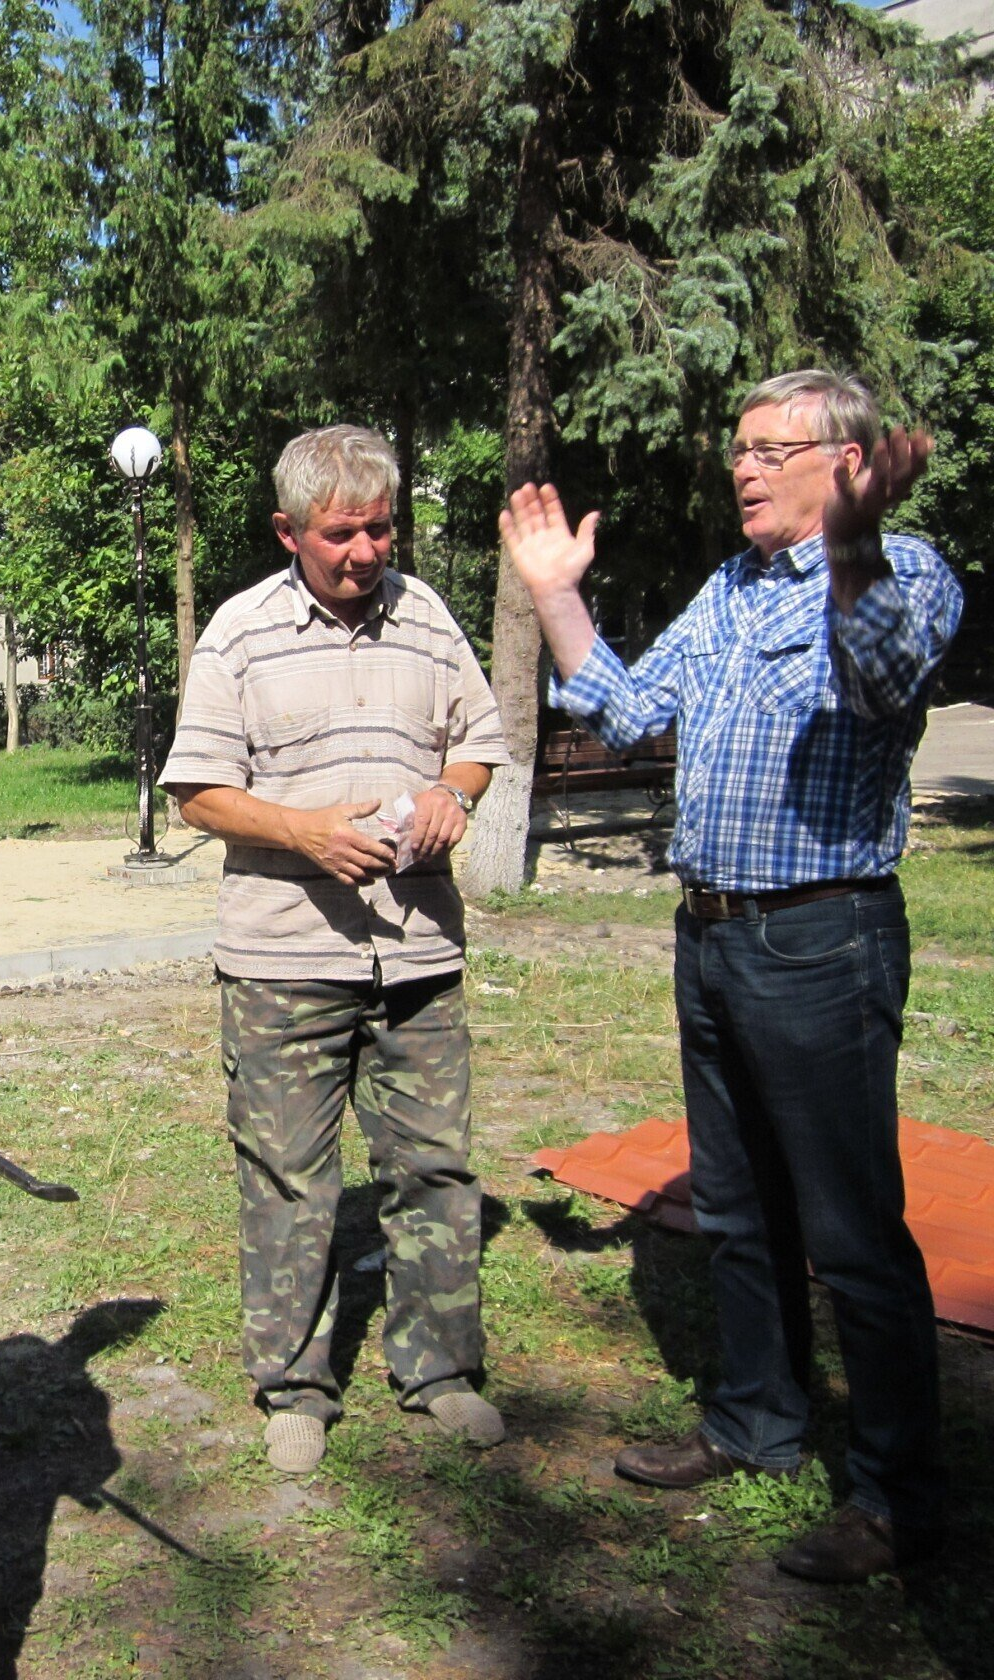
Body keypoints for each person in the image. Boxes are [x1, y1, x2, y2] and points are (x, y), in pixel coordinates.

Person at [500, 368, 961, 1583]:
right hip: (710, 934)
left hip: (824, 937)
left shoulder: (906, 573)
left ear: (847, 463)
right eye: (738, 449)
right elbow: (626, 708)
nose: (742, 468)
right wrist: (556, 598)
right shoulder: (734, 586)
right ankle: (757, 1422)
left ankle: (895, 1493)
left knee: (853, 1232)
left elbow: (883, 683)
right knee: (740, 1204)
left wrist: (856, 540)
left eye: (769, 449)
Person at [162, 424, 511, 1475]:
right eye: (341, 533)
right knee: (287, 1179)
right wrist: (305, 829)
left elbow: (480, 742)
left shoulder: (430, 615)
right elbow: (196, 792)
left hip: (417, 955)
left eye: (380, 528)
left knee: (433, 1167)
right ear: (288, 532)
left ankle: (440, 1371)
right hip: (283, 962)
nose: (366, 552)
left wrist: (454, 795)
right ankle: (296, 1385)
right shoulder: (239, 633)